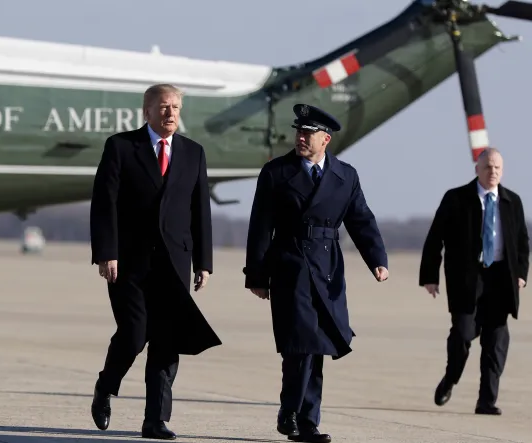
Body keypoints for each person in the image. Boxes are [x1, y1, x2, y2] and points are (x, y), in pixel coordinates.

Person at [244, 103, 389, 443]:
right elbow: (260, 227)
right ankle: (291, 413)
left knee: (318, 345)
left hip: (327, 269)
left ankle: (306, 421)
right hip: (290, 265)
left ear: (326, 139)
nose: (300, 138)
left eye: (308, 134)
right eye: (298, 132)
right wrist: (256, 276)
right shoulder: (277, 173)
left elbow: (361, 219)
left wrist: (377, 259)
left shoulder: (345, 175)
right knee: (301, 344)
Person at [88, 83, 222, 440]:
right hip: (129, 263)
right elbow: (105, 203)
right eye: (163, 107)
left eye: (176, 107)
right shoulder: (121, 147)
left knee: (166, 341)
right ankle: (106, 386)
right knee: (134, 334)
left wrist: (203, 262)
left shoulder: (193, 153)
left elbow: (200, 212)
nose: (171, 113)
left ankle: (155, 420)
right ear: (146, 112)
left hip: (174, 264)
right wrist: (106, 252)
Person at [419, 148, 528, 415]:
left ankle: (486, 401)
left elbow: (522, 243)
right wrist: (430, 277)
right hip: (467, 279)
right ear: (477, 169)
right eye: (488, 167)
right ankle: (450, 379)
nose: (493, 173)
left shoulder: (512, 201)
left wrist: (521, 273)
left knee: (496, 341)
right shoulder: (456, 199)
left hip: (501, 279)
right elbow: (435, 239)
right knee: (463, 335)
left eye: (498, 168)